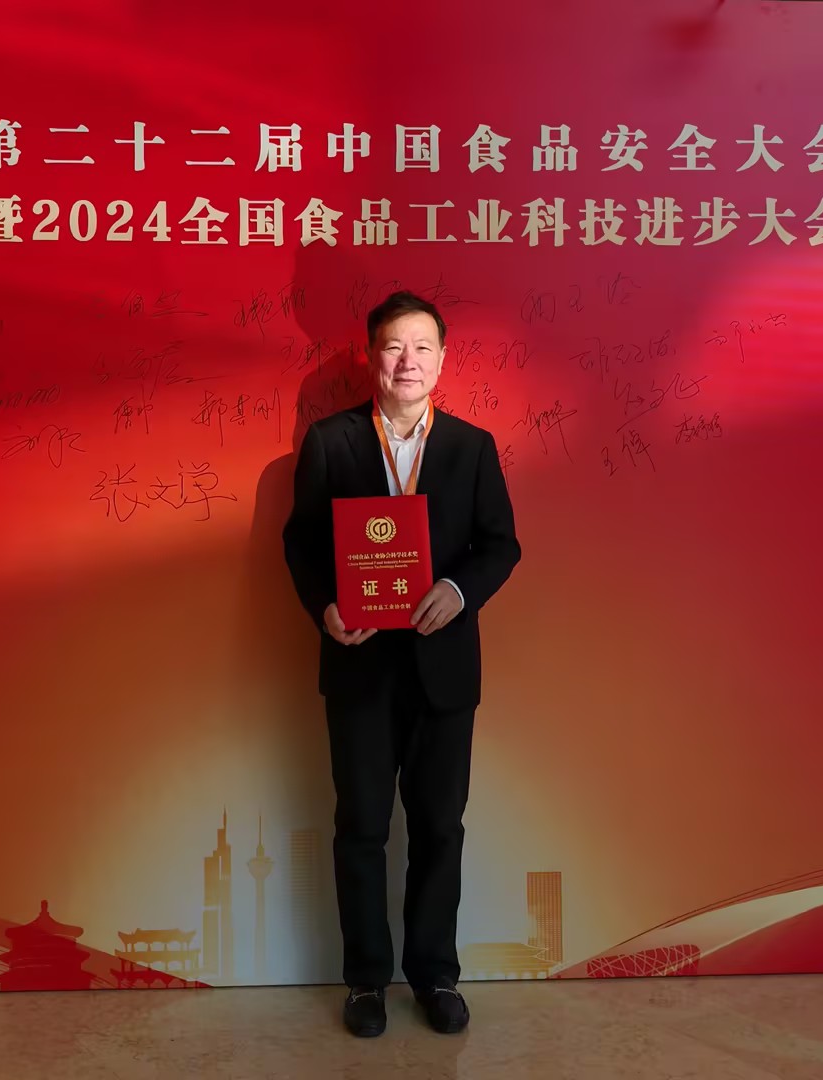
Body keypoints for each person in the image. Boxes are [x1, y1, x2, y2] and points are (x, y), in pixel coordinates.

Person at [282, 290, 521, 1036]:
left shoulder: (471, 446)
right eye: (392, 346)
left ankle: (435, 976)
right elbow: (300, 543)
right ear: (371, 357)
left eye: (421, 347)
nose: (407, 361)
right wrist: (324, 607)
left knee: (439, 828)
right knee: (360, 827)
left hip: (443, 670)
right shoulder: (331, 442)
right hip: (358, 666)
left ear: (442, 360)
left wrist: (459, 590)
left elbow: (501, 544)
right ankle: (364, 983)